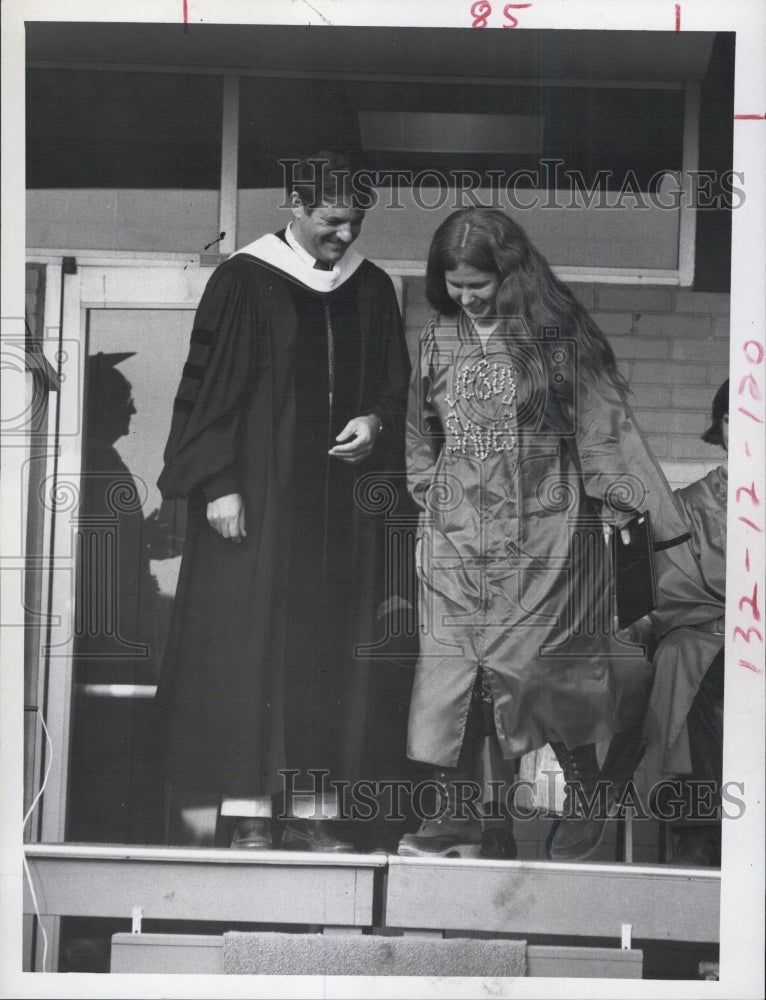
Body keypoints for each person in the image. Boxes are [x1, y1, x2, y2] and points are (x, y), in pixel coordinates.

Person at [398, 208, 718, 862]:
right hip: (457, 538)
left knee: (540, 670)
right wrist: (429, 497)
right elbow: (419, 433)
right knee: (452, 672)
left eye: (479, 285)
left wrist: (629, 512)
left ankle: (585, 787)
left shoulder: (556, 337)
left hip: (541, 534)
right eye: (455, 286)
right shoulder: (439, 339)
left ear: (510, 273)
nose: (466, 298)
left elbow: (605, 431)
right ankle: (464, 818)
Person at [156, 152, 412, 852]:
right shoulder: (245, 280)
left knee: (329, 656)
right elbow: (206, 390)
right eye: (332, 221)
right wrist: (218, 483)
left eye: (356, 222)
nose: (345, 236)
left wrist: (377, 422)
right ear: (295, 206)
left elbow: (395, 387)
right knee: (252, 655)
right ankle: (250, 815)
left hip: (340, 515)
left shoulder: (372, 288)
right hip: (258, 507)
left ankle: (313, 814)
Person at [640, 380, 728, 866]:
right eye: (733, 419)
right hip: (709, 634)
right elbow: (671, 591)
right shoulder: (689, 505)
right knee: (682, 659)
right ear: (721, 426)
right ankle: (697, 829)